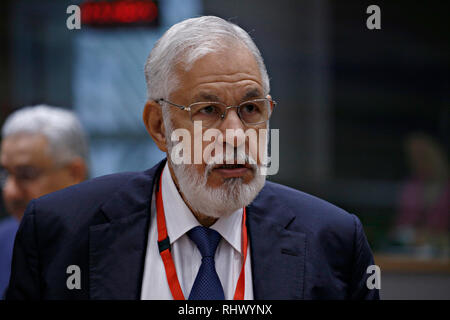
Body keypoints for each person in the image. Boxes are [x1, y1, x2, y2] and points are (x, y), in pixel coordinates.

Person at [6, 16, 379, 300]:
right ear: (159, 126)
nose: (235, 135)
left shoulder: (333, 241)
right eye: (208, 110)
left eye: (251, 108)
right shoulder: (60, 231)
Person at [0, 105, 89, 298]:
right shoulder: (3, 240)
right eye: (6, 174)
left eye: (26, 174)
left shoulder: (119, 240)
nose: (10, 191)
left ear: (74, 173)